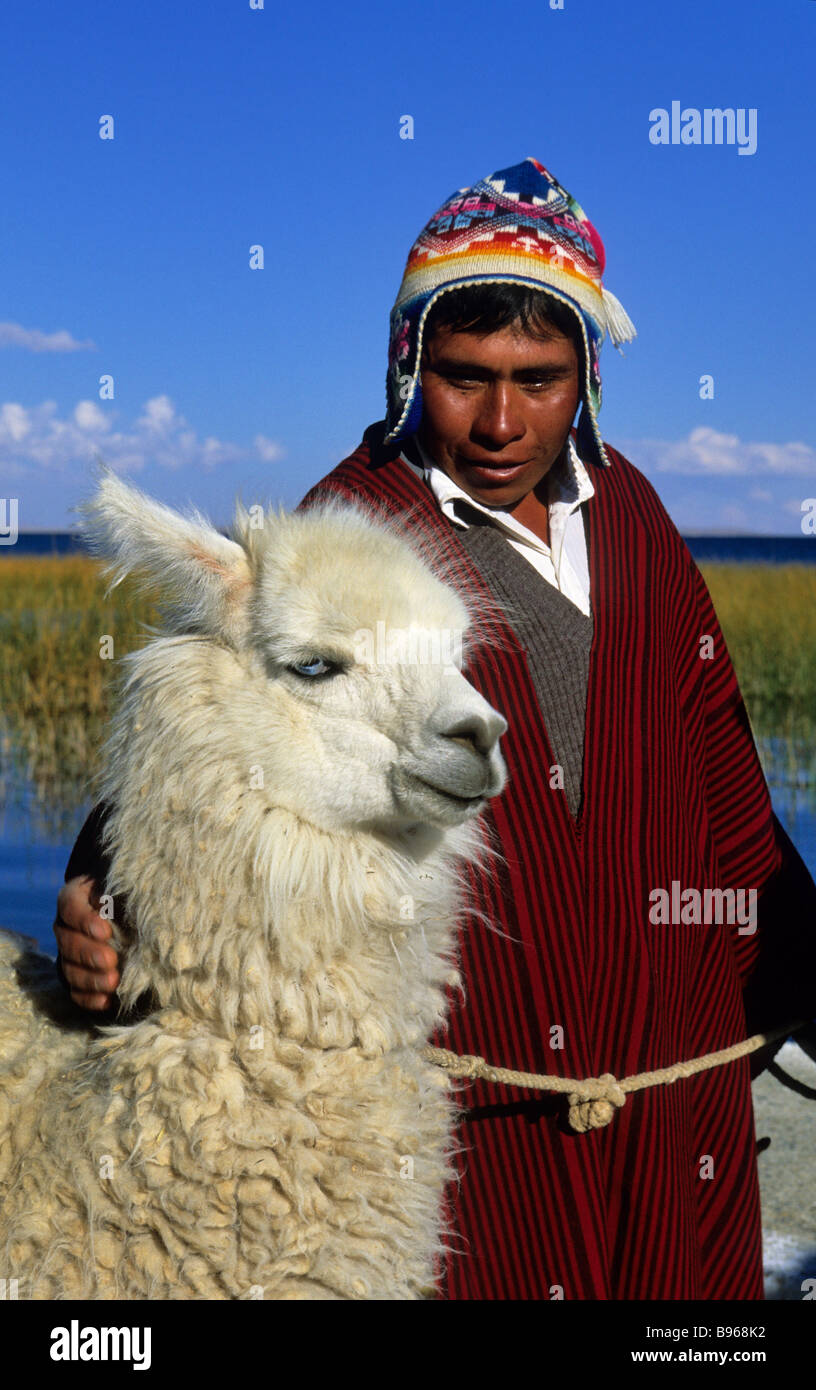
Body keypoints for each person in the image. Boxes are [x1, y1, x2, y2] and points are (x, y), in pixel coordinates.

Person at [55, 157, 816, 1300]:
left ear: (588, 378)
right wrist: (96, 892)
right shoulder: (344, 536)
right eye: (465, 378)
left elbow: (731, 800)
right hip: (475, 1109)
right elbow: (201, 762)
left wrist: (798, 963)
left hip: (676, 1094)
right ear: (410, 362)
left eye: (539, 379)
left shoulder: (640, 519)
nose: (503, 421)